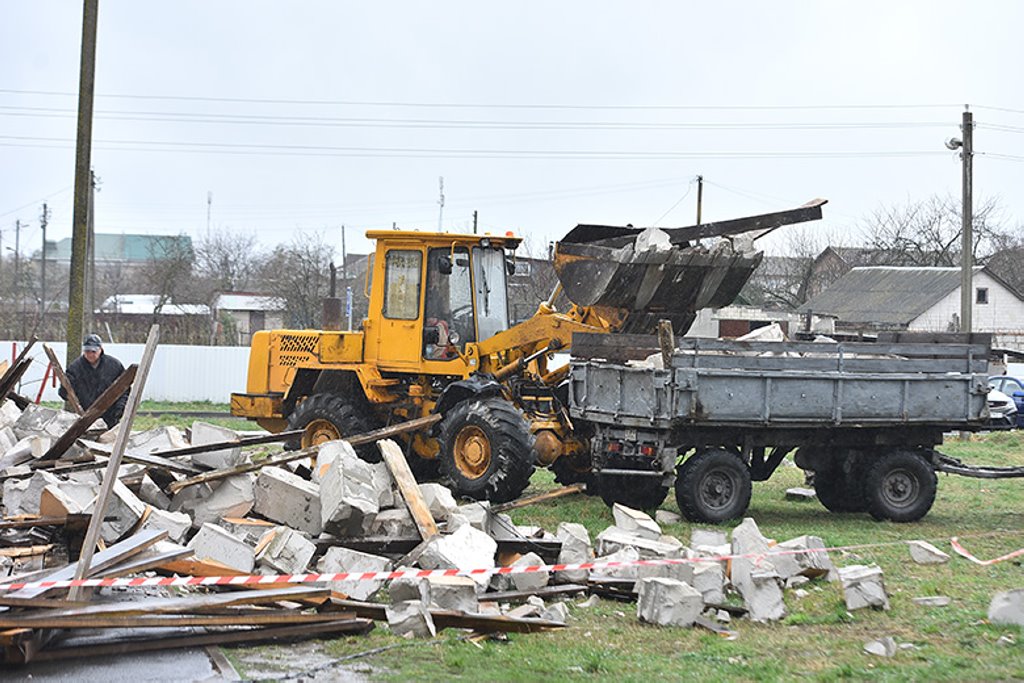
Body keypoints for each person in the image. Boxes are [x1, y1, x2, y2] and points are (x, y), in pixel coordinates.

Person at [60, 334, 129, 427]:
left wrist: (120, 409)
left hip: (110, 418)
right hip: (85, 418)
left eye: (93, 351)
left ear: (100, 349)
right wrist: (65, 390)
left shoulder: (114, 366)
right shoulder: (75, 368)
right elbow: (65, 393)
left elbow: (125, 389)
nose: (90, 354)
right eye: (87, 351)